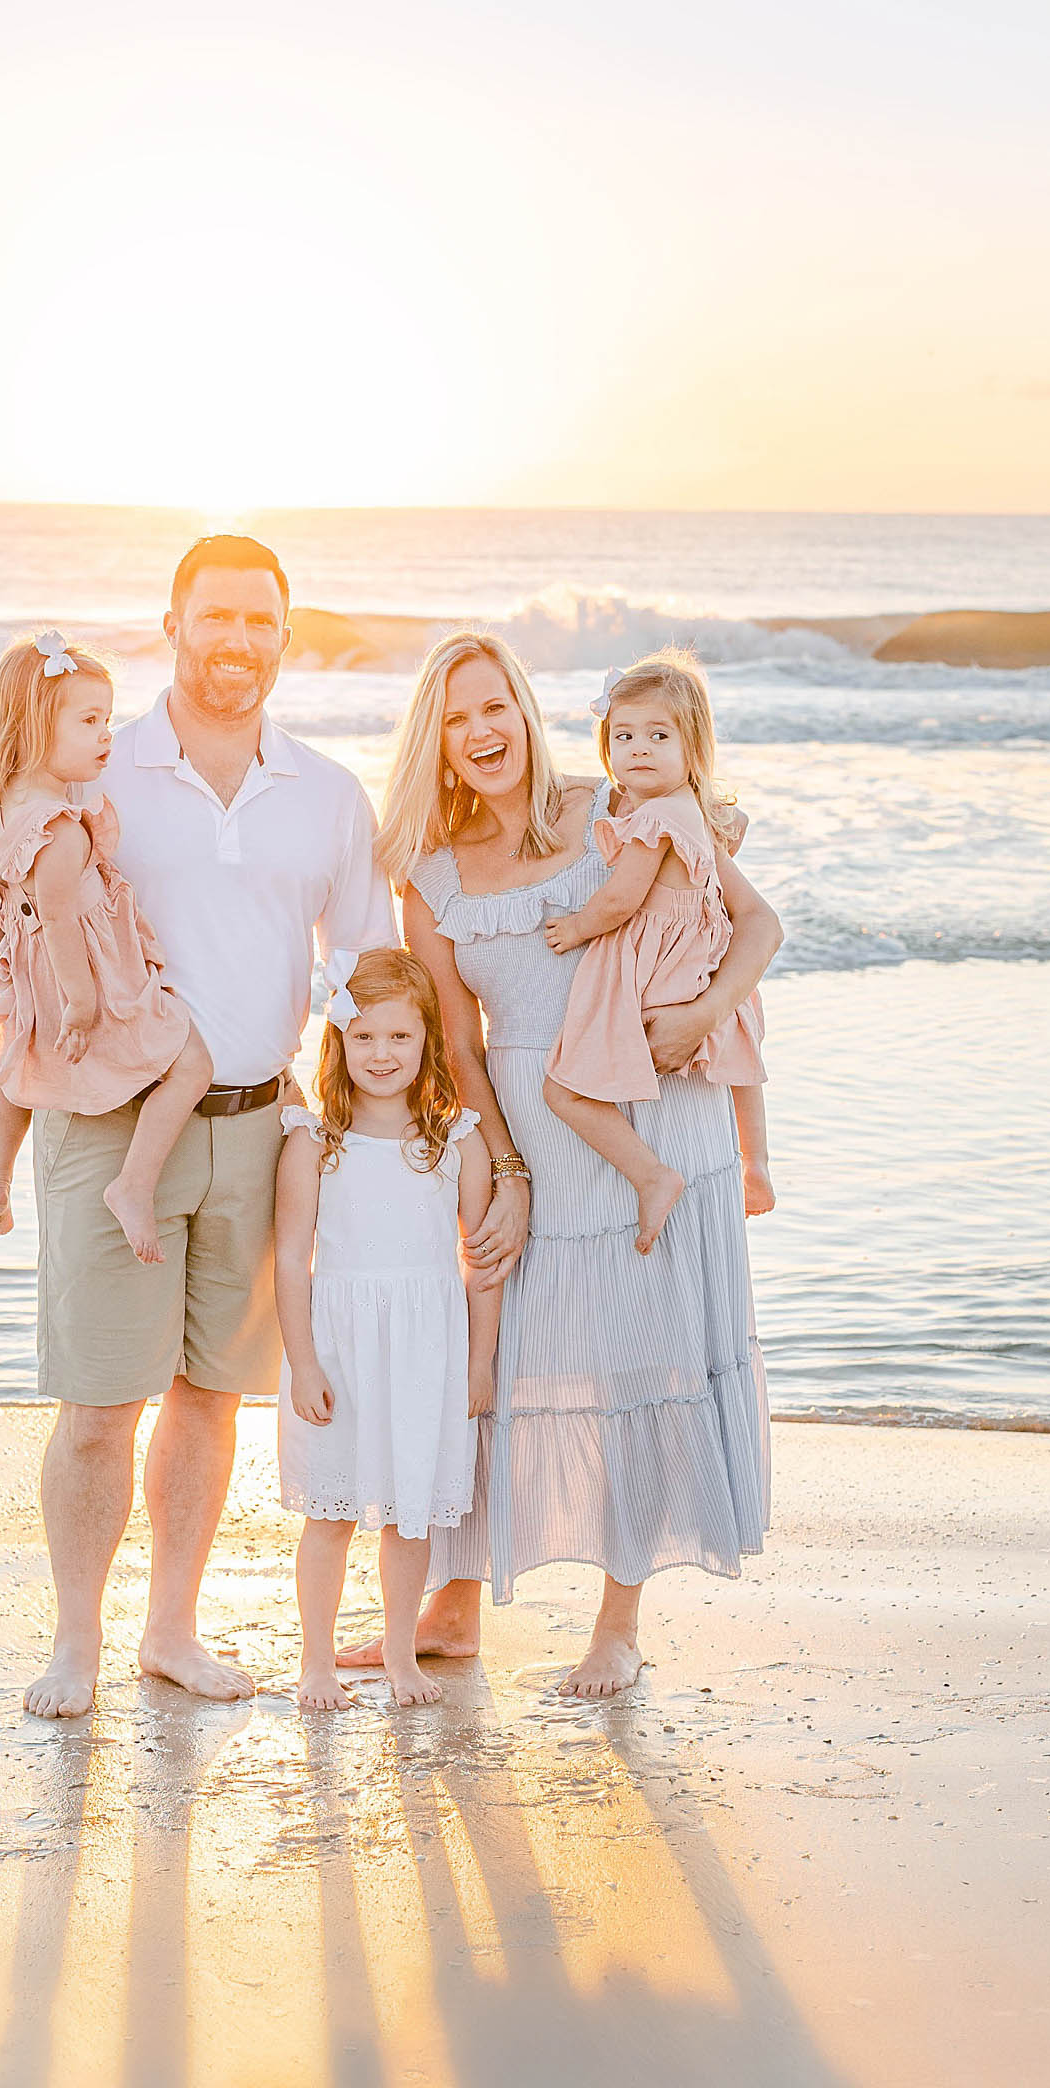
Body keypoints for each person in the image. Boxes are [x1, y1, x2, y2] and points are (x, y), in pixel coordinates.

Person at [0, 535, 399, 1717]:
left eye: (261, 622)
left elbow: (363, 974)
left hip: (259, 1127)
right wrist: (41, 1027)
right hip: (108, 1129)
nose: (237, 641)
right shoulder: (94, 766)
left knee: (209, 1398)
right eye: (217, 616)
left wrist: (364, 1129)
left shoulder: (330, 796)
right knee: (98, 1405)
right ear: (174, 624)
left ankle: (172, 1634)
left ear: (285, 639)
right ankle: (75, 1644)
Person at [338, 631, 782, 1698]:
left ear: (528, 713)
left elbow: (749, 923)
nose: (482, 732)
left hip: (656, 1115)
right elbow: (459, 1045)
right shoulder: (432, 878)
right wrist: (503, 1166)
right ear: (435, 744)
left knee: (642, 1361)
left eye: (496, 707)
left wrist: (705, 1019)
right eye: (456, 718)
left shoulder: (613, 810)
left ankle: (617, 1624)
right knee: (494, 1362)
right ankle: (452, 1611)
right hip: (536, 1131)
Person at [0, 632, 209, 1257]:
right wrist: (83, 1006)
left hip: (26, 977)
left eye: (107, 719)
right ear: (35, 728)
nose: (106, 734)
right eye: (89, 721)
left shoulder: (2, 806)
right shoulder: (58, 829)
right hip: (88, 977)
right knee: (192, 1064)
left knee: (16, 1072)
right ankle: (134, 1185)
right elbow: (61, 924)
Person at [274, 947, 499, 1712]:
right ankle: (316, 1662)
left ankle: (401, 1655)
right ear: (338, 1041)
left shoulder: (456, 1139)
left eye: (400, 1038)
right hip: (338, 1350)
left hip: (428, 1355)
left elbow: (482, 1261)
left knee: (411, 1513)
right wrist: (302, 1364)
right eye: (364, 1037)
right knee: (330, 1512)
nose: (382, 1054)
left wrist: (480, 1365)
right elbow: (290, 1265)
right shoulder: (313, 1141)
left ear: (427, 1042)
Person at [543, 653, 772, 1251]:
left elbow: (620, 901)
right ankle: (757, 1164)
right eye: (624, 736)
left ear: (692, 746)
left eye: (658, 735)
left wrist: (576, 927)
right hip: (701, 968)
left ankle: (651, 1175)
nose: (639, 748)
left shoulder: (656, 819)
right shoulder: (694, 810)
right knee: (740, 1058)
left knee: (563, 1091)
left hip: (657, 973)